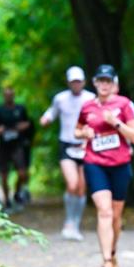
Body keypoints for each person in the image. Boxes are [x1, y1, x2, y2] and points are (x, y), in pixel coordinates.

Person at [75, 64, 134, 267]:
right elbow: (77, 130)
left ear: (114, 84)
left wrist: (117, 123)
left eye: (108, 81)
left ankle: (112, 255)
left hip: (120, 165)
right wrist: (83, 132)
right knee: (104, 211)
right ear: (94, 83)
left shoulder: (124, 104)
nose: (104, 85)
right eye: (100, 81)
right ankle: (105, 261)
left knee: (115, 216)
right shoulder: (86, 107)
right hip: (95, 163)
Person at [40, 66, 95, 240]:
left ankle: (76, 224)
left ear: (84, 82)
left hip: (85, 145)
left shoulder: (91, 98)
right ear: (68, 82)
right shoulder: (60, 98)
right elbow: (52, 112)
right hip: (67, 144)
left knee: (81, 188)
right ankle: (69, 221)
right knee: (72, 184)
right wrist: (46, 119)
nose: (76, 84)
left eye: (78, 81)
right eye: (73, 82)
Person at [0, 87, 31, 211]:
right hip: (3, 146)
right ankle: (7, 201)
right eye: (6, 95)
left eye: (10, 95)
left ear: (14, 95)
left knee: (22, 173)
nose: (8, 97)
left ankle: (17, 192)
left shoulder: (20, 109)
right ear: (3, 96)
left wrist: (20, 127)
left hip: (17, 145)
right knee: (3, 175)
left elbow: (28, 123)